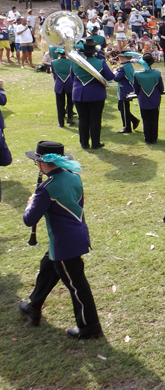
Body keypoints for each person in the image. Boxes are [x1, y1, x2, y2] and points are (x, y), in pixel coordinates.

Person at [19, 141, 102, 339]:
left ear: (43, 163)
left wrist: (30, 203)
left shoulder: (46, 188)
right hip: (77, 234)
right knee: (48, 265)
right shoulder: (74, 177)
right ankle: (34, 306)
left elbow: (29, 219)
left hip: (64, 244)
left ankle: (90, 326)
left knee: (77, 284)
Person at [71, 38, 114, 149]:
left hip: (79, 93)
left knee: (82, 118)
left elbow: (72, 78)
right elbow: (110, 77)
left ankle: (84, 143)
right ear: (94, 52)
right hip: (96, 94)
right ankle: (95, 143)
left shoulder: (75, 63)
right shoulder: (100, 62)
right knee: (95, 119)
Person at [133, 53, 165, 144]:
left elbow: (135, 89)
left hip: (143, 99)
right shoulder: (157, 73)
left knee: (145, 119)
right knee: (154, 119)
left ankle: (147, 138)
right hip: (155, 98)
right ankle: (154, 138)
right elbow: (161, 88)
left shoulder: (137, 74)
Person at [51, 48, 75, 127]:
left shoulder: (53, 62)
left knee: (60, 104)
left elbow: (54, 74)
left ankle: (61, 122)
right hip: (69, 83)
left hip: (59, 84)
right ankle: (69, 118)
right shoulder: (71, 62)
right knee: (70, 102)